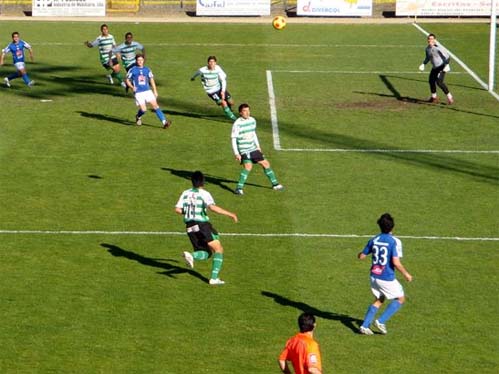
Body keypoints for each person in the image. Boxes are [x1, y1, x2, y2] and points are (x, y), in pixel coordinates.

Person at [175, 171, 238, 286]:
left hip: (189, 227)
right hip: (202, 225)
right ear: (203, 182)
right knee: (218, 249)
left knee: (206, 252)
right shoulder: (204, 193)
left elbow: (178, 209)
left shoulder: (185, 193)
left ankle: (192, 255)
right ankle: (213, 278)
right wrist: (230, 214)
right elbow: (212, 208)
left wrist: (189, 212)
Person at [358, 213, 413, 335]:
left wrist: (361, 253)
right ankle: (381, 321)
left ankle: (365, 325)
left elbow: (361, 256)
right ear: (392, 227)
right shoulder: (394, 241)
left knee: (380, 299)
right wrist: (406, 274)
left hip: (374, 276)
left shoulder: (374, 239)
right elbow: (396, 262)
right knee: (401, 298)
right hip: (386, 278)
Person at [231, 103, 283, 195]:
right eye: (245, 111)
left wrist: (258, 146)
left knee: (264, 164)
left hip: (253, 148)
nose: (247, 113)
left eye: (248, 110)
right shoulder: (237, 124)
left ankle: (275, 184)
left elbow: (253, 133)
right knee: (250, 166)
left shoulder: (252, 120)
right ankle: (239, 188)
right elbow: (233, 138)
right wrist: (236, 153)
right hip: (244, 149)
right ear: (240, 113)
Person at [125, 54, 171, 129]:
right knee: (144, 109)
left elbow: (151, 80)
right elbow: (127, 80)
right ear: (136, 61)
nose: (140, 61)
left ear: (143, 61)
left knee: (155, 106)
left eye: (141, 60)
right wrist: (132, 87)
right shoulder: (133, 70)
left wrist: (155, 91)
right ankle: (138, 116)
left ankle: (164, 122)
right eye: (138, 60)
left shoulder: (147, 69)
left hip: (147, 91)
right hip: (139, 93)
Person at [190, 55, 237, 121]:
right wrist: (193, 78)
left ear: (215, 63)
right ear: (208, 63)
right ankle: (234, 119)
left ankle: (228, 110)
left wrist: (222, 91)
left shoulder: (218, 68)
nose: (212, 63)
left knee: (231, 102)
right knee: (223, 103)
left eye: (213, 62)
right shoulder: (203, 70)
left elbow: (223, 79)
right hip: (211, 91)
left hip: (219, 88)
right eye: (210, 62)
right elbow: (197, 73)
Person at [419, 33, 454, 104]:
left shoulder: (438, 48)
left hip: (442, 66)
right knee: (431, 81)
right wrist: (423, 64)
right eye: (429, 39)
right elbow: (428, 57)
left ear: (435, 40)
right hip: (435, 67)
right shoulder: (427, 48)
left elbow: (447, 57)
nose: (430, 40)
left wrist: (447, 65)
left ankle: (450, 97)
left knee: (439, 82)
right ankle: (434, 97)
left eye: (431, 39)